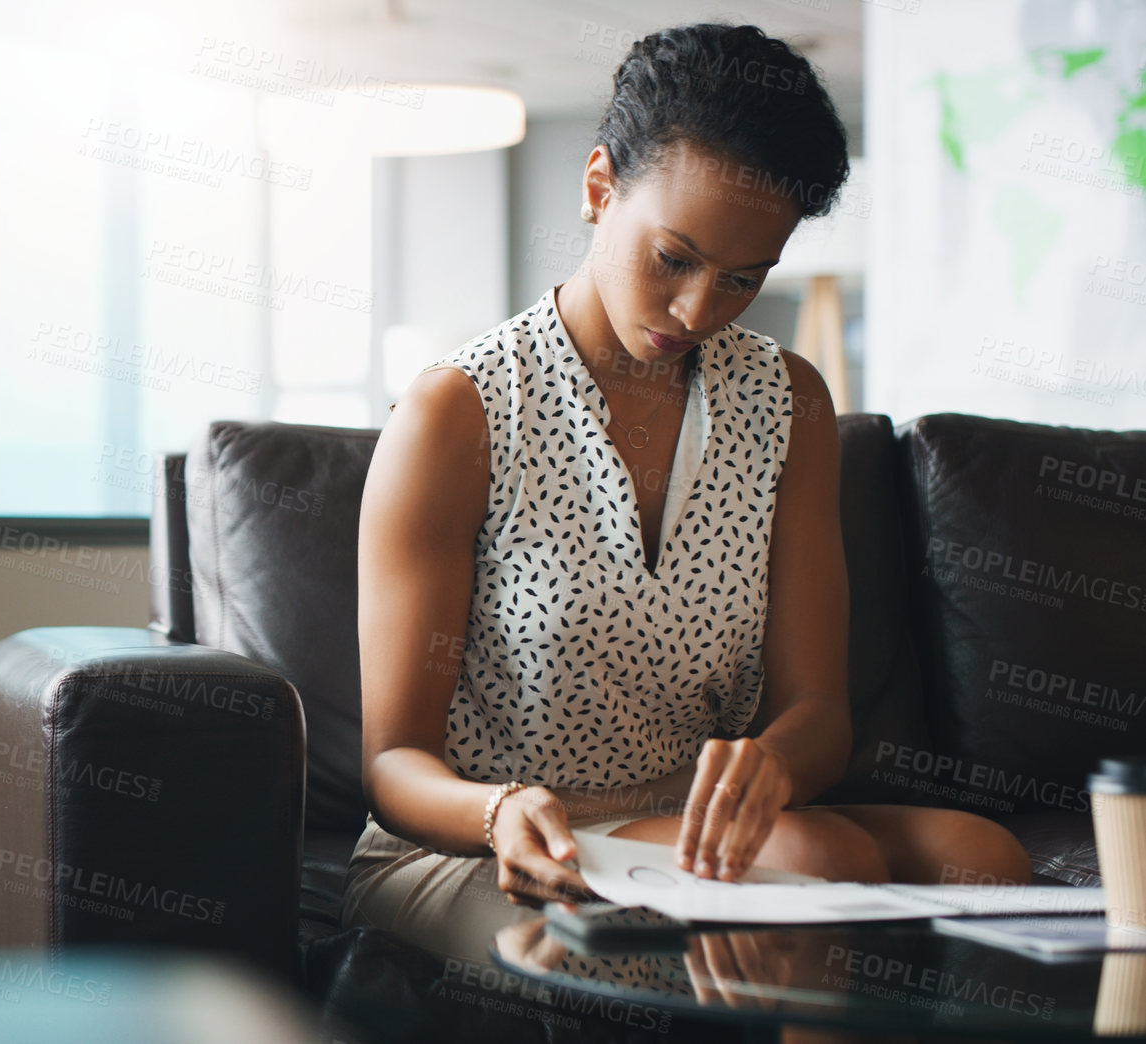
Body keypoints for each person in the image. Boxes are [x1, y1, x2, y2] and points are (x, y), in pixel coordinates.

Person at [345, 22, 1032, 966]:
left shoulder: (787, 399)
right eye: (673, 258)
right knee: (813, 851)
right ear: (597, 189)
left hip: (684, 829)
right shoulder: (455, 412)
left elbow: (816, 716)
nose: (696, 311)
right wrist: (498, 810)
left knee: (980, 856)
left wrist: (774, 764)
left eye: (743, 279)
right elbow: (393, 768)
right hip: (488, 848)